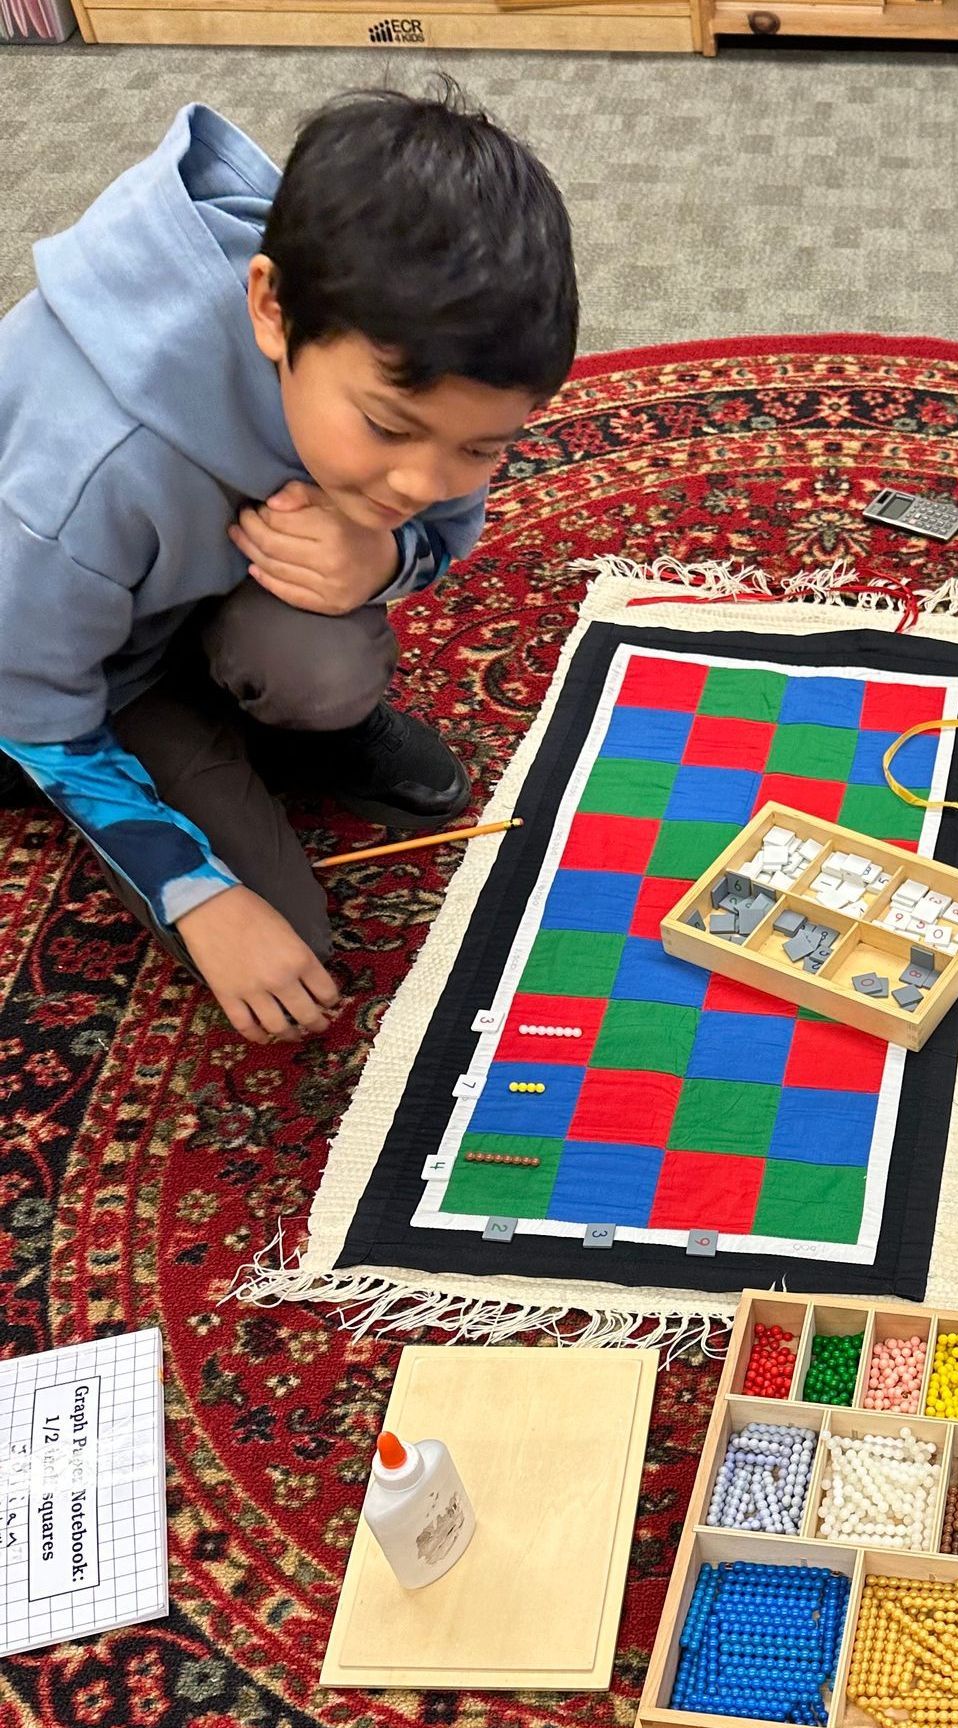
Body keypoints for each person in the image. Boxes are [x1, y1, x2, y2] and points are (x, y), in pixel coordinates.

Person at [0, 84, 577, 1044]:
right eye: (391, 428)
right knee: (283, 939)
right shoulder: (87, 467)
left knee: (325, 666)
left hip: (189, 599)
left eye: (480, 449)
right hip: (54, 668)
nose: (427, 481)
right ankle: (210, 740)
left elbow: (434, 513)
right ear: (270, 308)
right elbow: (30, 702)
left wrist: (381, 558)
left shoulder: (406, 354)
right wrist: (198, 897)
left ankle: (286, 718)